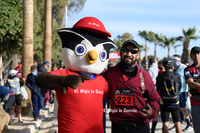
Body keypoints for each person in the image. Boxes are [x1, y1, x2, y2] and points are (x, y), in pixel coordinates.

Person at [103, 39, 161, 133]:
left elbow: (155, 99)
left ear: (137, 55)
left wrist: (151, 112)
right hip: (118, 126)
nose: (129, 54)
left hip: (140, 126)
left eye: (133, 51)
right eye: (126, 50)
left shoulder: (145, 75)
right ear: (121, 52)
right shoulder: (110, 73)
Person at [156, 58, 182, 133]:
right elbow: (179, 88)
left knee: (165, 123)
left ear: (163, 66)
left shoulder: (159, 77)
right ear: (173, 67)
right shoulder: (177, 77)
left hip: (164, 102)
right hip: (175, 102)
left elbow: (159, 88)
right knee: (177, 123)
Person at [172, 54, 193, 131]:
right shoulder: (174, 68)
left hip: (184, 91)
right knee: (176, 108)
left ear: (176, 60)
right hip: (176, 91)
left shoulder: (183, 67)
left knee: (183, 108)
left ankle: (189, 123)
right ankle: (177, 124)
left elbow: (188, 80)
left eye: (173, 60)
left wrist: (189, 91)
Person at [184, 46, 200, 133]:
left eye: (198, 53)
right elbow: (190, 83)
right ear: (191, 56)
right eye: (194, 54)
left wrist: (196, 85)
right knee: (197, 127)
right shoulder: (188, 69)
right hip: (195, 102)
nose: (197, 56)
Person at [151, 59, 165, 133]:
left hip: (165, 96)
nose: (159, 69)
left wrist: (155, 84)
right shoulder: (160, 73)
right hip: (158, 95)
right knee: (156, 112)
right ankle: (153, 129)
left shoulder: (168, 74)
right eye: (158, 67)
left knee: (164, 114)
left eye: (161, 67)